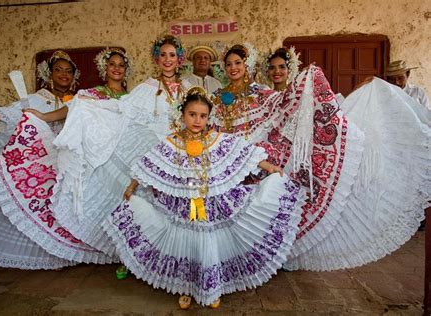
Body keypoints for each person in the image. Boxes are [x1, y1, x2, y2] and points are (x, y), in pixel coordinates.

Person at [213, 44, 430, 272]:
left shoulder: (263, 93)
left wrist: (309, 77)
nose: (233, 68)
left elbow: (285, 108)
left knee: (265, 208)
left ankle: (264, 257)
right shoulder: (217, 98)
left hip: (258, 162)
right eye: (228, 64)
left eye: (238, 63)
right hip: (230, 162)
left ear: (246, 66)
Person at [105, 86, 301, 308]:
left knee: (209, 243)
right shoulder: (172, 142)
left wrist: (270, 167)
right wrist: (132, 186)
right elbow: (149, 164)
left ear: (208, 117)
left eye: (203, 116)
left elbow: (244, 153)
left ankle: (212, 287)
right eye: (192, 114)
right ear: (183, 115)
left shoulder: (217, 139)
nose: (197, 120)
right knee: (186, 244)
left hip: (213, 205)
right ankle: (186, 286)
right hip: (182, 206)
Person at [50, 35, 191, 266]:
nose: (167, 60)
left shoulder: (188, 88)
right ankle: (144, 256)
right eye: (163, 55)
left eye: (172, 55)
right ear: (156, 59)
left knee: (182, 203)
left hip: (184, 151)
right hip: (156, 151)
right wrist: (88, 104)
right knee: (148, 202)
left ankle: (180, 255)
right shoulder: (146, 87)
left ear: (179, 60)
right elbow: (121, 109)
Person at [0, 51, 114, 268]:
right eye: (59, 70)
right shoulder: (36, 99)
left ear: (74, 76)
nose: (64, 74)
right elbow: (3, 113)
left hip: (68, 161)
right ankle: (45, 252)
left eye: (68, 71)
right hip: (43, 160)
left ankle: (68, 249)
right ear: (50, 74)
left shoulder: (80, 100)